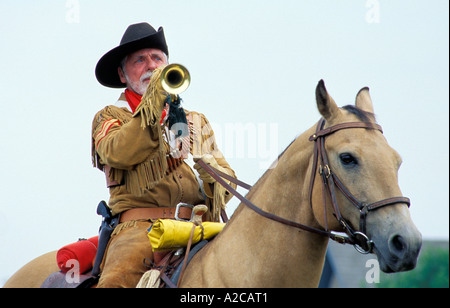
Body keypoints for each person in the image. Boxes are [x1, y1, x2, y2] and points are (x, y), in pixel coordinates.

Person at [91, 22, 236, 288]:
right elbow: (118, 152)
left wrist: (210, 169)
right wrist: (153, 109)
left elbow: (229, 183)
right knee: (115, 282)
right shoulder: (109, 117)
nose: (151, 65)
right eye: (139, 60)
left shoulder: (195, 121)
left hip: (198, 226)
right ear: (123, 75)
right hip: (139, 231)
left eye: (157, 58)